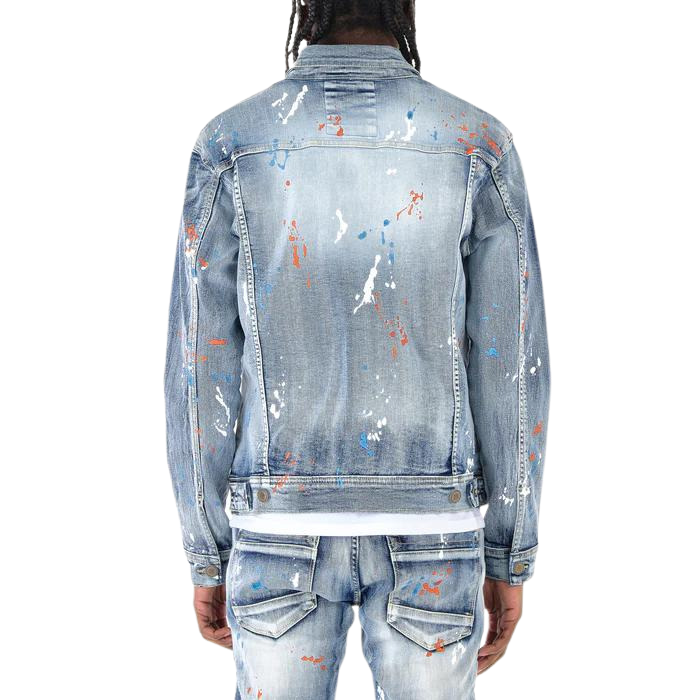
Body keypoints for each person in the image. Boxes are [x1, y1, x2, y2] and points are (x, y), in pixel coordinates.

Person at [164, 1, 551, 697]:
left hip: (275, 529)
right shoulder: (477, 140)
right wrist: (508, 552)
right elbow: (511, 366)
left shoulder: (231, 141)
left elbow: (199, 366)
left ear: (304, 9)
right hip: (435, 532)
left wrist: (208, 550)